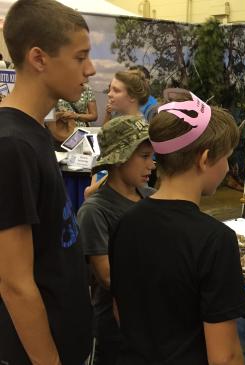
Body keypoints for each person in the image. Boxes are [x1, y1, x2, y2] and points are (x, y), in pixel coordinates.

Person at [109, 92, 245, 364]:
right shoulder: (215, 240)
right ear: (205, 158)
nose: (228, 167)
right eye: (227, 158)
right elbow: (225, 357)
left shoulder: (124, 222)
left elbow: (119, 309)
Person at [0, 0, 95, 364]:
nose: (89, 70)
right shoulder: (11, 145)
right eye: (79, 57)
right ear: (39, 58)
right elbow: (16, 284)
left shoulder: (34, 130)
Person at [77, 115, 155, 365]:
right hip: (114, 329)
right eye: (144, 156)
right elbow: (108, 277)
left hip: (150, 321)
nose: (152, 165)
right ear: (120, 157)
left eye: (152, 157)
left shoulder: (151, 197)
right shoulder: (95, 212)